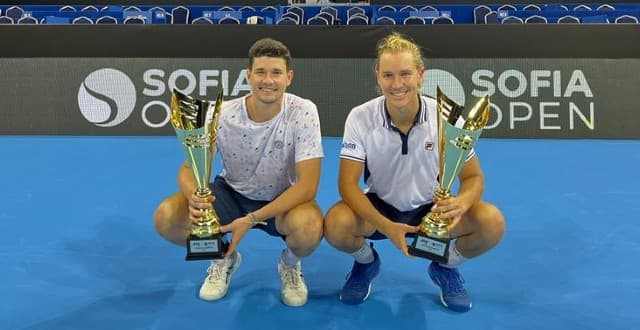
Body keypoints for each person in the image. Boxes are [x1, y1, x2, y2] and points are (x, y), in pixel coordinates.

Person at [324, 32, 505, 312]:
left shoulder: (447, 117)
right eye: (388, 75)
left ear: (421, 75)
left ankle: (446, 266)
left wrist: (462, 202)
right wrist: (386, 227)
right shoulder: (359, 117)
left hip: (433, 211)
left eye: (405, 74)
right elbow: (347, 186)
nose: (397, 84)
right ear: (377, 77)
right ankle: (366, 263)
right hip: (380, 208)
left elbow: (473, 177)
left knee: (491, 222)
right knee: (336, 224)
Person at [153, 38, 324, 307]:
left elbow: (308, 186)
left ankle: (290, 265)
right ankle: (223, 257)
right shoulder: (222, 113)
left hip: (281, 200)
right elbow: (189, 168)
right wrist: (194, 196)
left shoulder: (303, 112)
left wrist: (252, 219)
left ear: (288, 77)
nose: (268, 80)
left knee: (310, 228)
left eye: (276, 73)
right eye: (261, 72)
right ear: (248, 75)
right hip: (230, 193)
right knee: (166, 218)